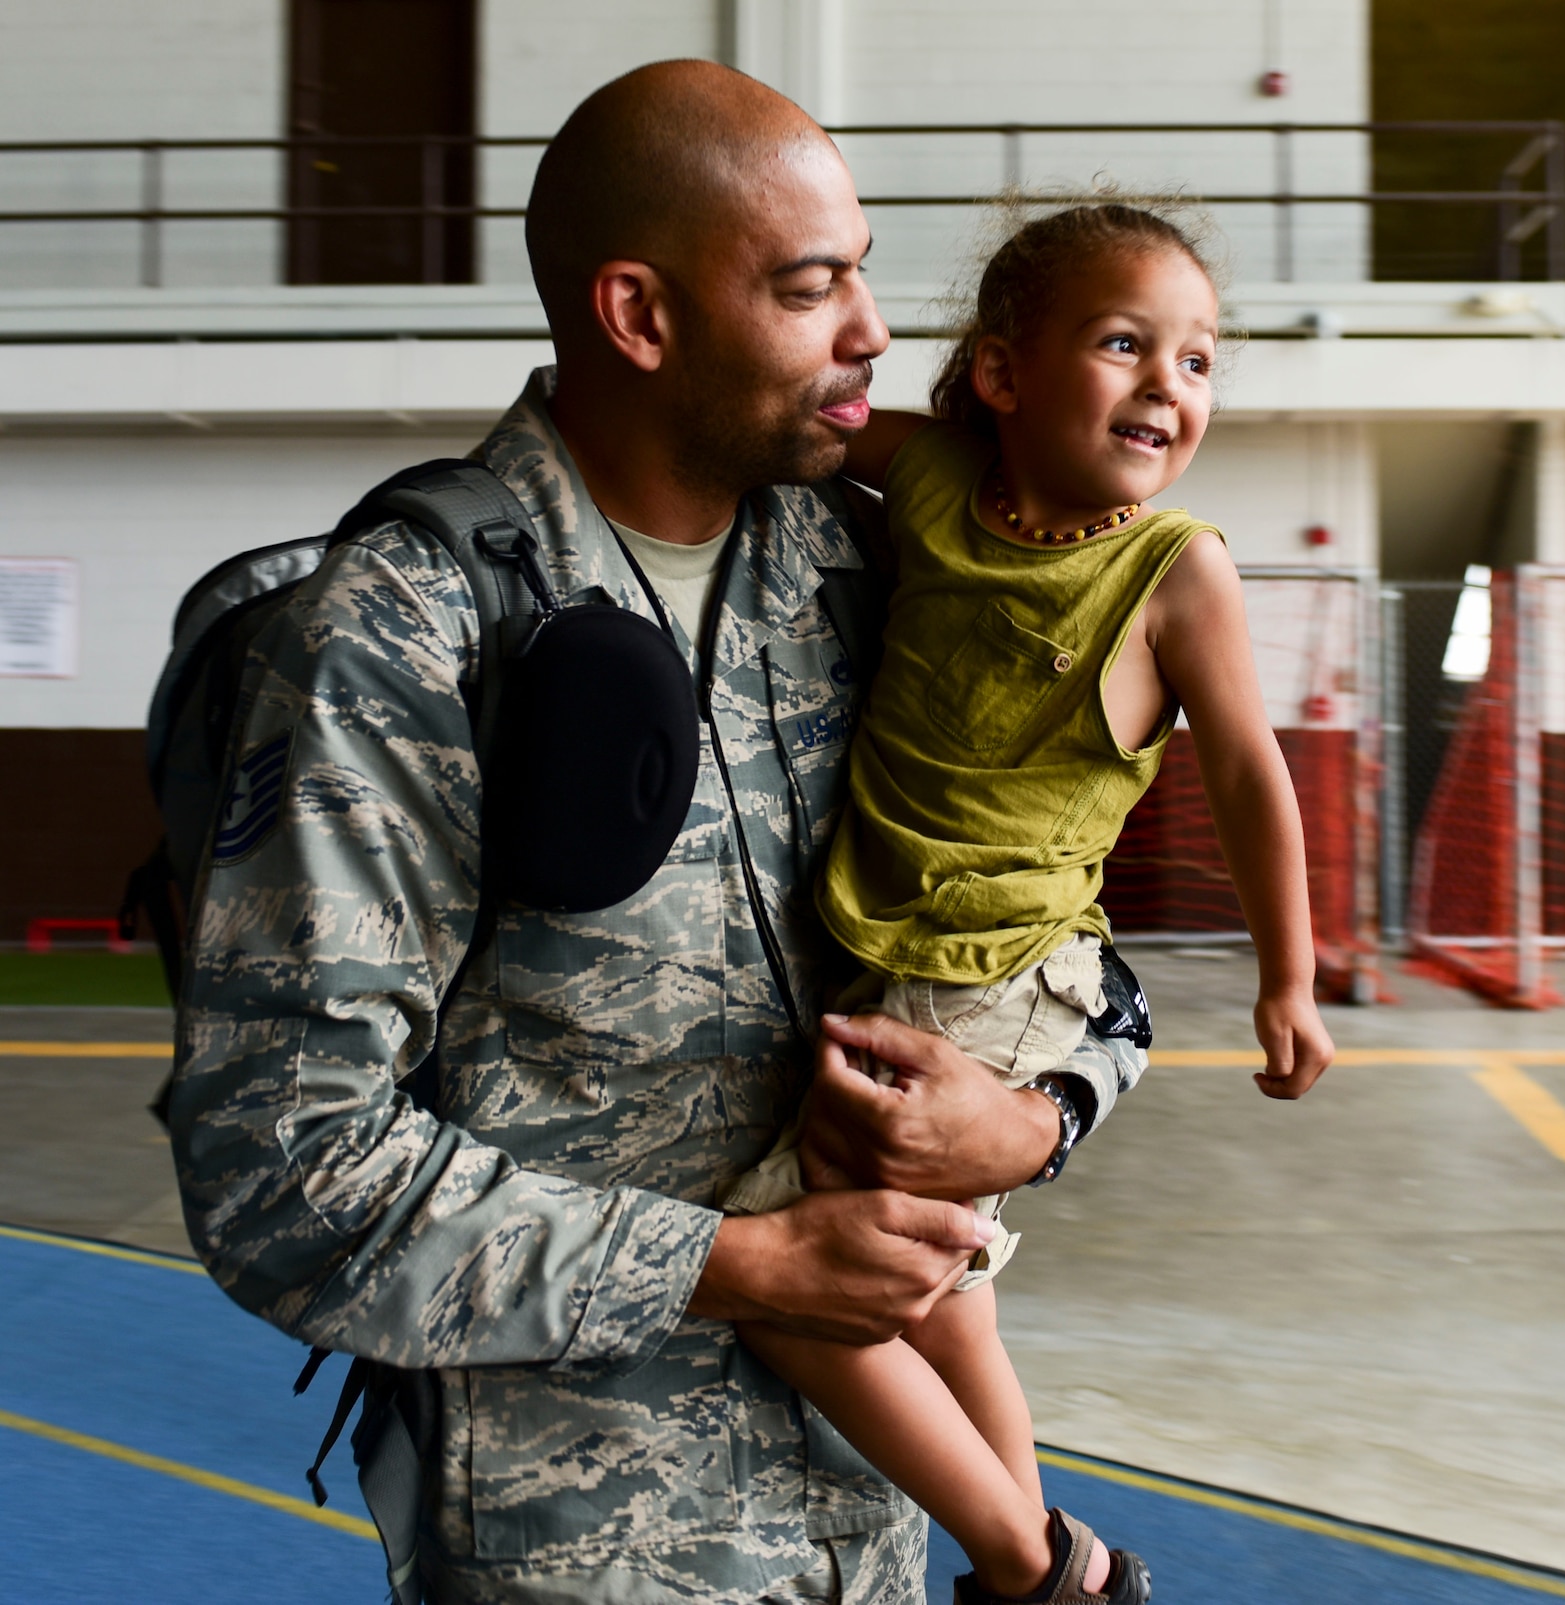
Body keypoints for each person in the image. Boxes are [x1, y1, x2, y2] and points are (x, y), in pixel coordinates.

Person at [166, 61, 1145, 1605]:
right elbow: (285, 1171)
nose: (872, 331)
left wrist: (1043, 1112)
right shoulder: (408, 634)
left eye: (863, 276)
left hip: (883, 1544)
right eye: (812, 285)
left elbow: (1058, 929)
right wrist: (738, 1263)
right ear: (639, 314)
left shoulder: (870, 574)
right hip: (595, 1560)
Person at [719, 205, 1338, 1605]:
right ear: (1003, 372)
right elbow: (799, 417)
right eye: (1126, 345)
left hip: (1001, 981)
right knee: (947, 1304)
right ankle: (1043, 1584)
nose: (1168, 385)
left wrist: (1287, 978)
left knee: (786, 1285)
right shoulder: (940, 480)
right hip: (882, 953)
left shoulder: (1173, 570)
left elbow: (1251, 771)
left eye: (1196, 361)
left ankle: (1033, 1561)